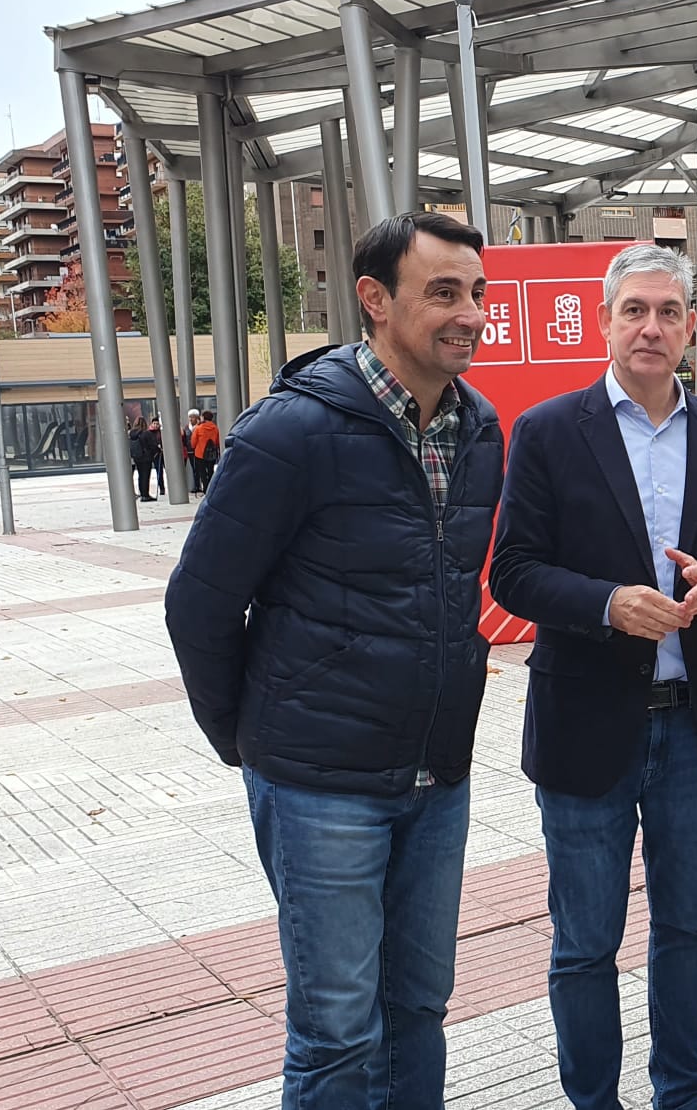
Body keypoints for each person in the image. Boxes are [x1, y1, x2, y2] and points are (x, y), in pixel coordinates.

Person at [164, 210, 504, 1109]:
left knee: (419, 1008)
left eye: (476, 293)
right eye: (442, 293)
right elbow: (198, 602)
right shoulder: (288, 434)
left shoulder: (480, 431)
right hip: (320, 789)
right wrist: (250, 739)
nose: (469, 313)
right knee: (337, 1030)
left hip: (438, 778)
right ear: (374, 299)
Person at [488, 244, 697, 1110]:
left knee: (688, 927)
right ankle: (594, 1102)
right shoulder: (547, 431)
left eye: (667, 312)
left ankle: (681, 1094)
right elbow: (513, 572)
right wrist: (609, 603)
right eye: (633, 311)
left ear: (692, 326)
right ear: (607, 320)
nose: (651, 327)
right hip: (586, 724)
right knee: (584, 942)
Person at [192, 409, 222, 492]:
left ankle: (205, 488)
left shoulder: (198, 428)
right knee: (210, 471)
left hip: (200, 454)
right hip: (211, 453)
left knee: (202, 472)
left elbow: (193, 442)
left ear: (203, 418)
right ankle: (211, 488)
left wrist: (194, 447)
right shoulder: (215, 428)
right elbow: (217, 441)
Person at [129, 416, 156, 502]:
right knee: (145, 476)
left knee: (140, 476)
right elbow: (152, 445)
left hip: (137, 457)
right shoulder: (146, 433)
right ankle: (145, 495)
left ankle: (142, 493)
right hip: (146, 457)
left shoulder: (132, 434)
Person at [146, 416, 167, 497]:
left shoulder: (161, 432)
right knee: (159, 471)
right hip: (156, 454)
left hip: (163, 453)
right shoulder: (149, 432)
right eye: (154, 423)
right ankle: (161, 488)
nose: (155, 425)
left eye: (157, 424)